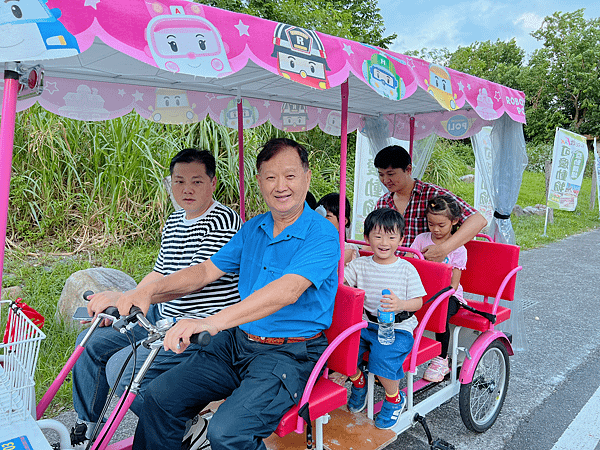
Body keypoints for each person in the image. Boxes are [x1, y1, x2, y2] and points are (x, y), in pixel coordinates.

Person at [115, 137, 340, 450]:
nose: (280, 186)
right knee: (157, 397)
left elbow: (287, 291)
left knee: (226, 432)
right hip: (238, 342)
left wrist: (212, 322)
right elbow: (206, 271)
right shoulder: (253, 228)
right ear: (259, 181)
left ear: (306, 177)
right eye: (271, 177)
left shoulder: (323, 234)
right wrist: (148, 290)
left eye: (289, 176)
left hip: (288, 353)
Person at [70, 148, 241, 447]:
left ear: (212, 183)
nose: (186, 189)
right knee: (92, 343)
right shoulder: (175, 220)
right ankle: (87, 427)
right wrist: (129, 298)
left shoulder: (224, 220)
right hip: (163, 314)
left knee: (121, 369)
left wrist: (142, 294)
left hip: (200, 324)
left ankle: (187, 426)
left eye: (197, 181)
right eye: (179, 181)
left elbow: (195, 279)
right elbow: (159, 271)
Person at [344, 208, 426, 429]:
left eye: (391, 237)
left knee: (382, 356)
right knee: (341, 348)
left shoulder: (406, 269)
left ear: (401, 238)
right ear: (367, 238)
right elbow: (341, 283)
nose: (384, 242)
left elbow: (418, 302)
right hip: (365, 323)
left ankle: (394, 398)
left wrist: (401, 305)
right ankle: (358, 382)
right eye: (378, 236)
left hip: (397, 327)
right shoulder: (359, 265)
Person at [374, 145, 487, 261]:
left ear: (408, 169)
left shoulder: (433, 195)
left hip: (424, 270)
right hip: (389, 269)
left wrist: (443, 249)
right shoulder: (383, 203)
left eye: (391, 174)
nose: (385, 180)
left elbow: (478, 220)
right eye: (381, 175)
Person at [410, 195, 467, 382]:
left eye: (441, 225)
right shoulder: (421, 240)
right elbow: (411, 267)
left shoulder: (458, 249)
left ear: (454, 221)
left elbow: (454, 284)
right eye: (430, 224)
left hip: (449, 295)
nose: (435, 229)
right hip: (423, 291)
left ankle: (442, 358)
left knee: (441, 310)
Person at [316, 192, 359, 266]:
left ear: (343, 221)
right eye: (320, 214)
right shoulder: (312, 244)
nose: (322, 219)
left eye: (328, 216)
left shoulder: (349, 249)